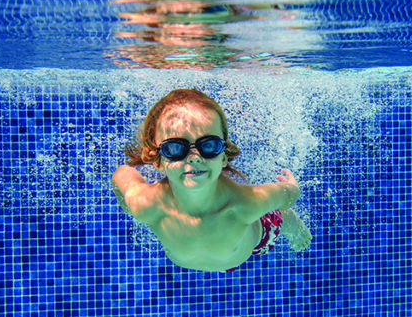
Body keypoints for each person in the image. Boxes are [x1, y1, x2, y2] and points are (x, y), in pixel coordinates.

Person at [112, 88, 312, 272]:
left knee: (276, 216)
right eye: (175, 148)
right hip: (223, 254)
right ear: (158, 160)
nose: (194, 157)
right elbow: (121, 175)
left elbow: (287, 196)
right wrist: (127, 207)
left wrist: (291, 187)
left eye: (208, 146)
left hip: (255, 242)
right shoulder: (145, 204)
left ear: (223, 157)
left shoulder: (245, 204)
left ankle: (288, 219)